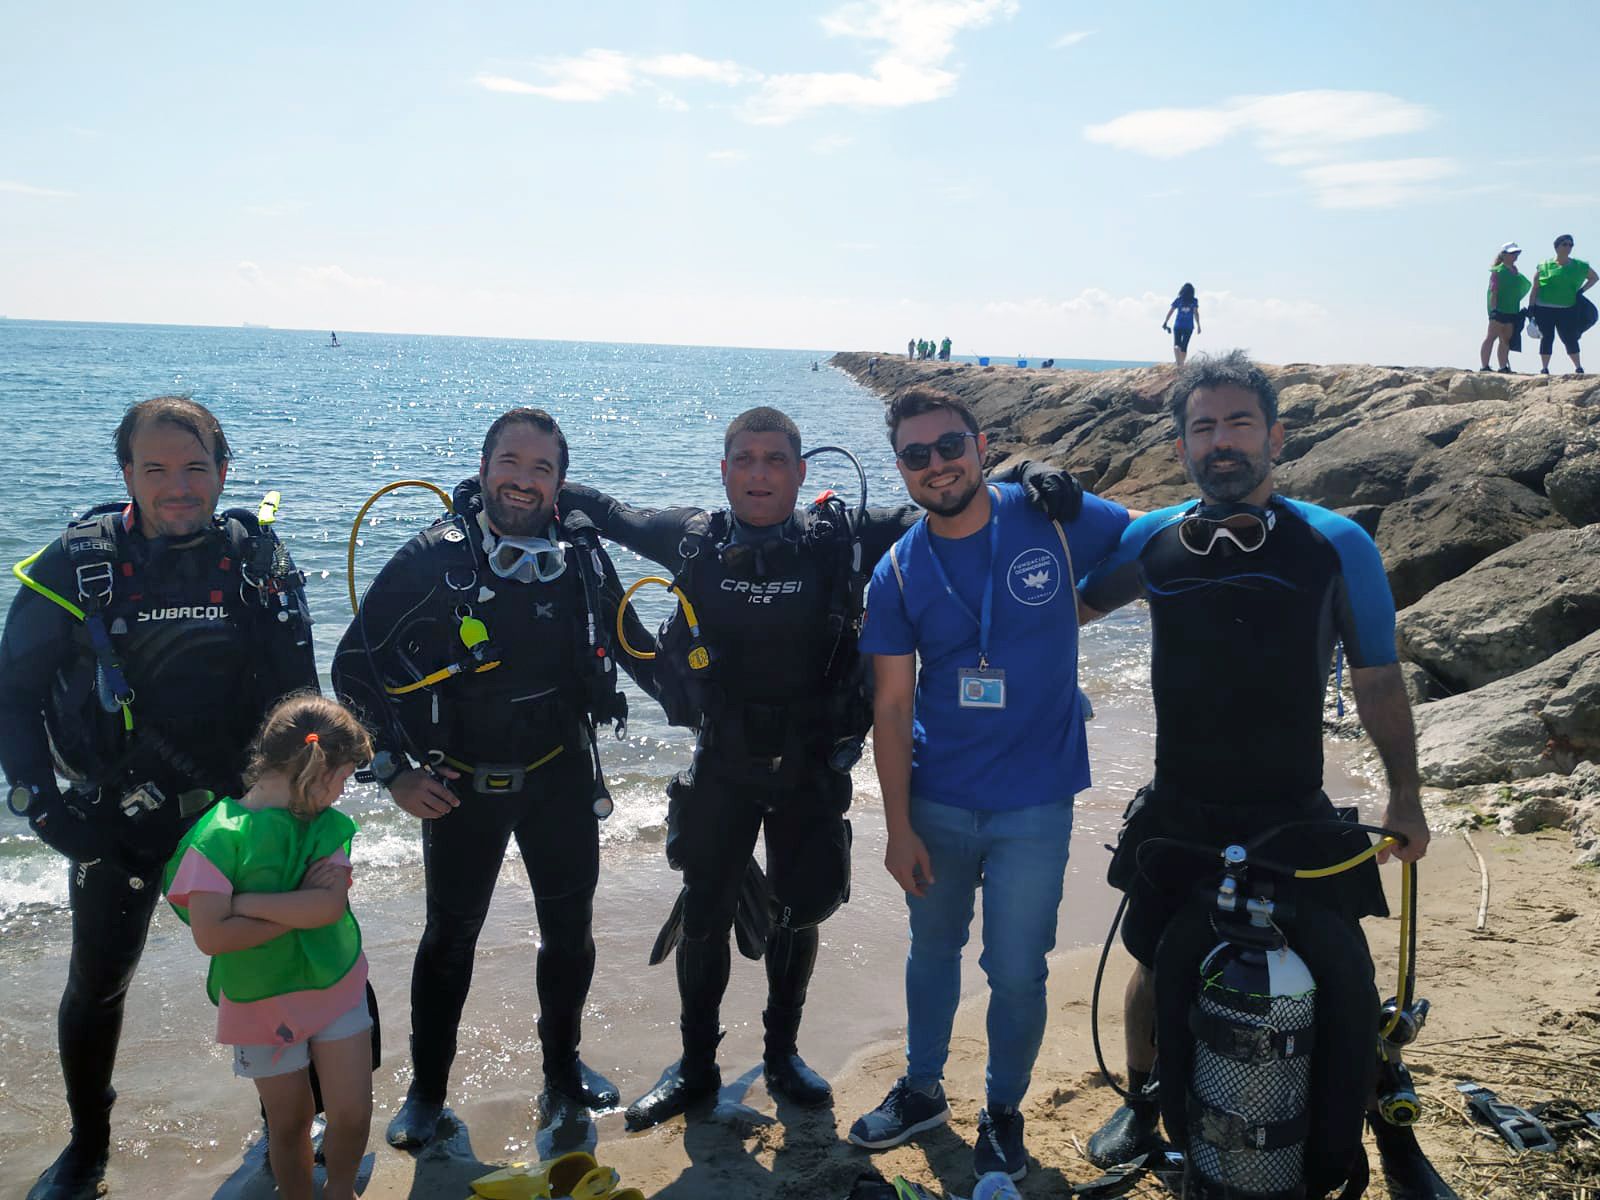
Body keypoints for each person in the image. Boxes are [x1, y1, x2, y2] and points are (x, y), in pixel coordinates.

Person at [558, 407, 1084, 1132]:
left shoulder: (840, 539)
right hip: (722, 764)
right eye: (744, 459)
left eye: (776, 460)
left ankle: (782, 1056)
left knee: (799, 913)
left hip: (811, 766)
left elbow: (950, 499)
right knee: (706, 916)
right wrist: (516, 489)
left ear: (802, 473)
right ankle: (696, 1067)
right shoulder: (693, 539)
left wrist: (1023, 476)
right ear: (724, 471)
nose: (760, 474)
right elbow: (604, 510)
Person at [1076, 351, 1431, 1199]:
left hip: (1292, 802)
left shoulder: (1334, 543)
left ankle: (1391, 1132)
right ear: (1180, 445)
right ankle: (1145, 1101)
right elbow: (1058, 610)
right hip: (1179, 803)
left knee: (1346, 973)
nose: (1222, 441)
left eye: (1239, 423)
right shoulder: (1153, 539)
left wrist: (1405, 793)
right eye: (1203, 427)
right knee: (1154, 961)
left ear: (1276, 435)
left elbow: (1378, 676)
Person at [0, 396, 318, 1200]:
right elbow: (12, 692)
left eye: (196, 467)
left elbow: (299, 696)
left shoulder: (255, 560)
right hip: (117, 817)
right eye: (157, 469)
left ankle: (292, 1121)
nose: (178, 487)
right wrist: (41, 804)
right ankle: (88, 1145)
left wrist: (307, 805)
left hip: (241, 812)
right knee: (98, 982)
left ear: (223, 470)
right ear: (127, 475)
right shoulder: (78, 565)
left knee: (286, 965)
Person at [331, 407, 655, 1147]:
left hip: (562, 775)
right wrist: (392, 772)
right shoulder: (431, 559)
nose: (524, 480)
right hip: (461, 784)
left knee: (569, 932)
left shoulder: (580, 555)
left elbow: (633, 646)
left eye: (542, 468)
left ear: (561, 483)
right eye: (510, 462)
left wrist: (704, 695)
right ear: (483, 470)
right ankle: (427, 1094)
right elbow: (355, 669)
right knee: (450, 938)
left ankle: (562, 1073)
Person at [848, 386, 1129, 1183]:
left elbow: (1153, 545)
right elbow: (893, 704)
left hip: (1036, 801)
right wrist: (897, 828)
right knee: (931, 951)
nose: (936, 465)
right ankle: (921, 1089)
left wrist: (1087, 603)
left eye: (948, 446)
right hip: (938, 798)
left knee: (1016, 969)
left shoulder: (1050, 515)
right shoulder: (898, 572)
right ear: (901, 469)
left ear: (979, 444)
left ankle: (1002, 1112)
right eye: (916, 455)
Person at [164, 694, 375, 1200]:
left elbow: (326, 909)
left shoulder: (325, 825)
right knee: (290, 1120)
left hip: (336, 984)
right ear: (315, 769)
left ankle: (340, 1191)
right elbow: (212, 936)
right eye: (343, 778)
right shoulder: (217, 837)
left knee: (352, 1110)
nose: (343, 792)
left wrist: (248, 902)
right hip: (259, 1001)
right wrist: (295, 906)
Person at [1528, 233, 1597, 375]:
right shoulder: (1544, 265)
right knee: (1547, 337)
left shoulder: (1579, 265)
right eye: (1565, 244)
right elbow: (1535, 288)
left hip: (1568, 307)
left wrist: (1581, 291)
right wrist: (1531, 307)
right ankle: (1545, 368)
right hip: (1544, 308)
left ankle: (1578, 367)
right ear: (1557, 246)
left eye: (1571, 245)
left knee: (1569, 337)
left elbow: (1594, 278)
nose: (1568, 247)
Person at [1481, 243, 1530, 373]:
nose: (1515, 256)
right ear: (1504, 254)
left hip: (1512, 310)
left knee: (1505, 339)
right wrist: (1494, 310)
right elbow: (1494, 291)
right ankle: (1484, 366)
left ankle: (1503, 367)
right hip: (1499, 310)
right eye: (1512, 253)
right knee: (1491, 337)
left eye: (1516, 253)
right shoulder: (1497, 271)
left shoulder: (1515, 272)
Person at [1162, 284, 1200, 365]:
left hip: (1178, 325)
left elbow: (1171, 311)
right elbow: (1196, 313)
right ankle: (1181, 363)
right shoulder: (1194, 301)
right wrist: (1199, 325)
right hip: (1189, 326)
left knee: (1177, 345)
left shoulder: (1178, 300)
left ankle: (1179, 363)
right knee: (1184, 346)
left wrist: (1165, 321)